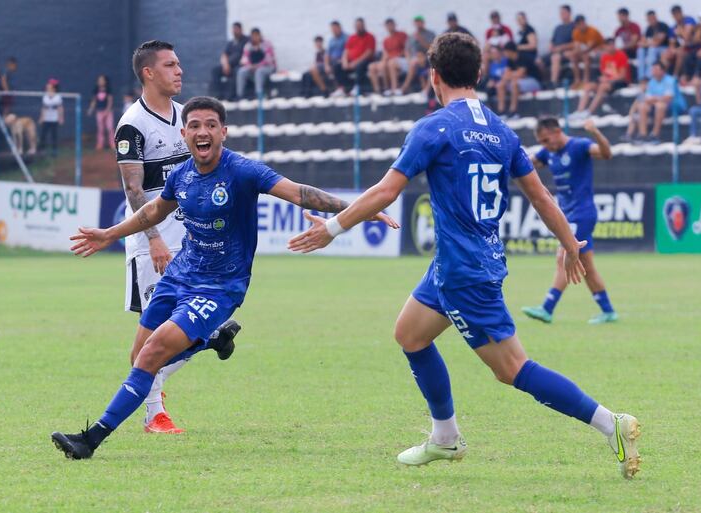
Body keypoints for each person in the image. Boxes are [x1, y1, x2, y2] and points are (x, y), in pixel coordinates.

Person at [288, 33, 641, 480]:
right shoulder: (501, 130)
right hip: (461, 262)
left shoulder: (434, 126)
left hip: (464, 271)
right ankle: (444, 437)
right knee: (410, 335)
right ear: (478, 74)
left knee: (513, 369)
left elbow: (386, 191)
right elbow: (542, 197)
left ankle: (612, 424)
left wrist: (333, 228)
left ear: (433, 76)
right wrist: (571, 243)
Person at [51, 96, 399, 460]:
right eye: (196, 126)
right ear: (184, 134)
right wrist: (110, 233)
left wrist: (358, 209)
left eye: (211, 125)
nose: (203, 132)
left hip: (220, 287)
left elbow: (299, 193)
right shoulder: (183, 175)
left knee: (153, 353)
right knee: (139, 353)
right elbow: (154, 210)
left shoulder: (244, 171)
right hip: (180, 275)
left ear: (224, 132)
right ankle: (214, 337)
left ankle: (89, 440)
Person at [113, 40, 240, 434]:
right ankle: (155, 415)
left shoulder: (189, 118)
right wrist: (153, 239)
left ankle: (206, 341)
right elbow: (135, 191)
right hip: (154, 246)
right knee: (152, 335)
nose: (179, 71)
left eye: (179, 64)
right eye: (170, 65)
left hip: (195, 247)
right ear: (148, 73)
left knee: (185, 330)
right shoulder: (133, 123)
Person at [522, 117, 618, 325]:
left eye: (546, 140)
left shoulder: (579, 146)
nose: (544, 146)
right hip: (567, 214)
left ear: (557, 131)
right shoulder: (549, 153)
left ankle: (547, 308)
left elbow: (606, 153)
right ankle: (608, 311)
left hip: (582, 213)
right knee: (587, 266)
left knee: (564, 256)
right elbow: (526, 163)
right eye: (541, 142)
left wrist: (596, 133)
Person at [571, 38, 631, 118]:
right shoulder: (604, 57)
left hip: (620, 82)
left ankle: (589, 112)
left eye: (612, 45)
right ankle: (580, 111)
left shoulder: (621, 55)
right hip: (607, 81)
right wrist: (604, 78)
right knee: (588, 86)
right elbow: (604, 73)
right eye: (609, 45)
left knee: (603, 86)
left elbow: (622, 76)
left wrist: (609, 79)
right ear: (605, 46)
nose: (611, 47)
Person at [622, 61, 680, 144]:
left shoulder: (671, 80)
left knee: (660, 106)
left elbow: (668, 98)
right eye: (653, 69)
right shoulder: (652, 82)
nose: (653, 71)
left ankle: (655, 134)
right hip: (655, 105)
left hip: (673, 107)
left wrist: (655, 99)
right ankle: (643, 134)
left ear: (663, 71)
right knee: (642, 106)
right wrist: (656, 99)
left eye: (656, 69)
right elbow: (647, 99)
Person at [496, 41, 541, 118]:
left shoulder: (523, 57)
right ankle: (501, 111)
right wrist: (509, 76)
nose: (504, 54)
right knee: (500, 85)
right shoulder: (509, 60)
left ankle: (513, 111)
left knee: (514, 84)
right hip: (520, 80)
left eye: (505, 52)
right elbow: (506, 74)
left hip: (533, 81)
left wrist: (510, 75)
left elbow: (521, 74)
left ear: (510, 51)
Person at [332, 18, 376, 97]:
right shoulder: (352, 37)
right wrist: (345, 62)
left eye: (360, 25)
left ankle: (358, 87)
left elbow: (369, 53)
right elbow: (346, 51)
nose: (358, 27)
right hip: (351, 62)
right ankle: (343, 89)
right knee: (337, 67)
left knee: (360, 66)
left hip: (364, 61)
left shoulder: (370, 36)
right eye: (357, 26)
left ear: (364, 26)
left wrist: (355, 62)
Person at [368, 18, 407, 96]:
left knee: (391, 63)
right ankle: (379, 90)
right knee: (372, 66)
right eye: (388, 25)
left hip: (401, 59)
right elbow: (385, 54)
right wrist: (383, 61)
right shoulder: (386, 40)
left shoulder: (402, 35)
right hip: (389, 59)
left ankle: (394, 89)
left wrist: (394, 56)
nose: (390, 27)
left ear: (394, 25)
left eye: (391, 25)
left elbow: (406, 50)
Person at [236, 28, 276, 99]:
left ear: (260, 35)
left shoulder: (266, 44)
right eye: (253, 36)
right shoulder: (248, 46)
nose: (255, 38)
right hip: (252, 68)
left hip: (268, 67)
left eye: (256, 35)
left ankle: (259, 94)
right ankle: (240, 95)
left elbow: (268, 59)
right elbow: (244, 59)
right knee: (241, 71)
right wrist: (250, 66)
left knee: (259, 71)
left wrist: (257, 66)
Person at [400, 15, 436, 94]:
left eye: (419, 22)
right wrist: (408, 59)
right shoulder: (412, 36)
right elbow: (407, 49)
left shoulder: (430, 34)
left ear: (423, 23)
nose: (418, 24)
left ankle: (404, 88)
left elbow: (432, 48)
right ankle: (406, 89)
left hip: (427, 58)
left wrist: (420, 39)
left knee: (419, 63)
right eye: (416, 22)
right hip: (414, 59)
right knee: (415, 63)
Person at [543, 5, 575, 87]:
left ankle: (553, 82)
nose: (562, 15)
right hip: (554, 51)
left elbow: (575, 43)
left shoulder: (574, 26)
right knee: (538, 61)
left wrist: (560, 48)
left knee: (555, 57)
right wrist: (551, 46)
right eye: (560, 13)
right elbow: (552, 40)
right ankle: (543, 83)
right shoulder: (558, 28)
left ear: (569, 13)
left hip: (566, 53)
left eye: (564, 13)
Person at [662, 5, 696, 80]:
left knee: (680, 53)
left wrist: (681, 32)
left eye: (677, 14)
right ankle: (663, 76)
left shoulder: (689, 21)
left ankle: (675, 76)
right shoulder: (673, 27)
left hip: (692, 47)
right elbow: (672, 43)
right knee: (665, 54)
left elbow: (687, 38)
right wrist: (672, 50)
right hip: (680, 48)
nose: (676, 17)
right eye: (674, 15)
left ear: (681, 13)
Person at [570, 15, 605, 87]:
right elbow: (576, 46)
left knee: (585, 57)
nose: (581, 25)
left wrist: (578, 52)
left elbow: (589, 47)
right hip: (586, 52)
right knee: (573, 57)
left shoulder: (592, 31)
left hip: (598, 51)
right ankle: (577, 79)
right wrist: (575, 53)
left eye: (582, 23)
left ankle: (586, 79)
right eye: (579, 24)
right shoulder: (575, 32)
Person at [636, 10, 670, 82]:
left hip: (663, 48)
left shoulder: (663, 26)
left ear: (655, 17)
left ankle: (649, 76)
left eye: (652, 18)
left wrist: (648, 43)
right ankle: (641, 77)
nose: (651, 20)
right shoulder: (649, 29)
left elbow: (658, 43)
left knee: (652, 49)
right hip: (652, 47)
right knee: (640, 51)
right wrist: (647, 43)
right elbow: (641, 42)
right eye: (649, 19)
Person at [87, 75, 114, 151]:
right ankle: (100, 144)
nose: (100, 82)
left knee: (110, 128)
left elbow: (110, 101)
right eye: (99, 80)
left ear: (105, 81)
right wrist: (90, 110)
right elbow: (94, 101)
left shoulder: (108, 90)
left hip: (108, 112)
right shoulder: (96, 90)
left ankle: (112, 144)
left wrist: (107, 110)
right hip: (99, 112)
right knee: (100, 129)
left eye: (102, 80)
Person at [223, 22, 249, 100]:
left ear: (241, 29)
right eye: (233, 29)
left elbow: (247, 54)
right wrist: (225, 64)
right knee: (215, 71)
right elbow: (224, 54)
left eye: (236, 29)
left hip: (240, 64)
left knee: (236, 71)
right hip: (229, 65)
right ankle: (216, 94)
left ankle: (232, 96)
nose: (234, 31)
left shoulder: (246, 40)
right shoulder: (231, 43)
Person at [39, 79, 63, 157]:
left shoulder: (58, 97)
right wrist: (41, 117)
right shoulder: (45, 96)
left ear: (53, 88)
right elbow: (44, 108)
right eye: (47, 88)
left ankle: (54, 152)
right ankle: (42, 151)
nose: (47, 89)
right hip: (46, 118)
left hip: (54, 118)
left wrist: (61, 117)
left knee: (54, 135)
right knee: (43, 135)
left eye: (49, 88)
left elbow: (60, 108)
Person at [324, 21, 347, 91]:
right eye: (332, 29)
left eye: (335, 29)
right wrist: (326, 65)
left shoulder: (346, 38)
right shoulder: (331, 40)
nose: (334, 31)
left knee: (337, 66)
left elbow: (348, 51)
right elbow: (327, 54)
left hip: (342, 60)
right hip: (332, 61)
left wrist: (343, 60)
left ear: (340, 28)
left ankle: (341, 89)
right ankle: (325, 91)